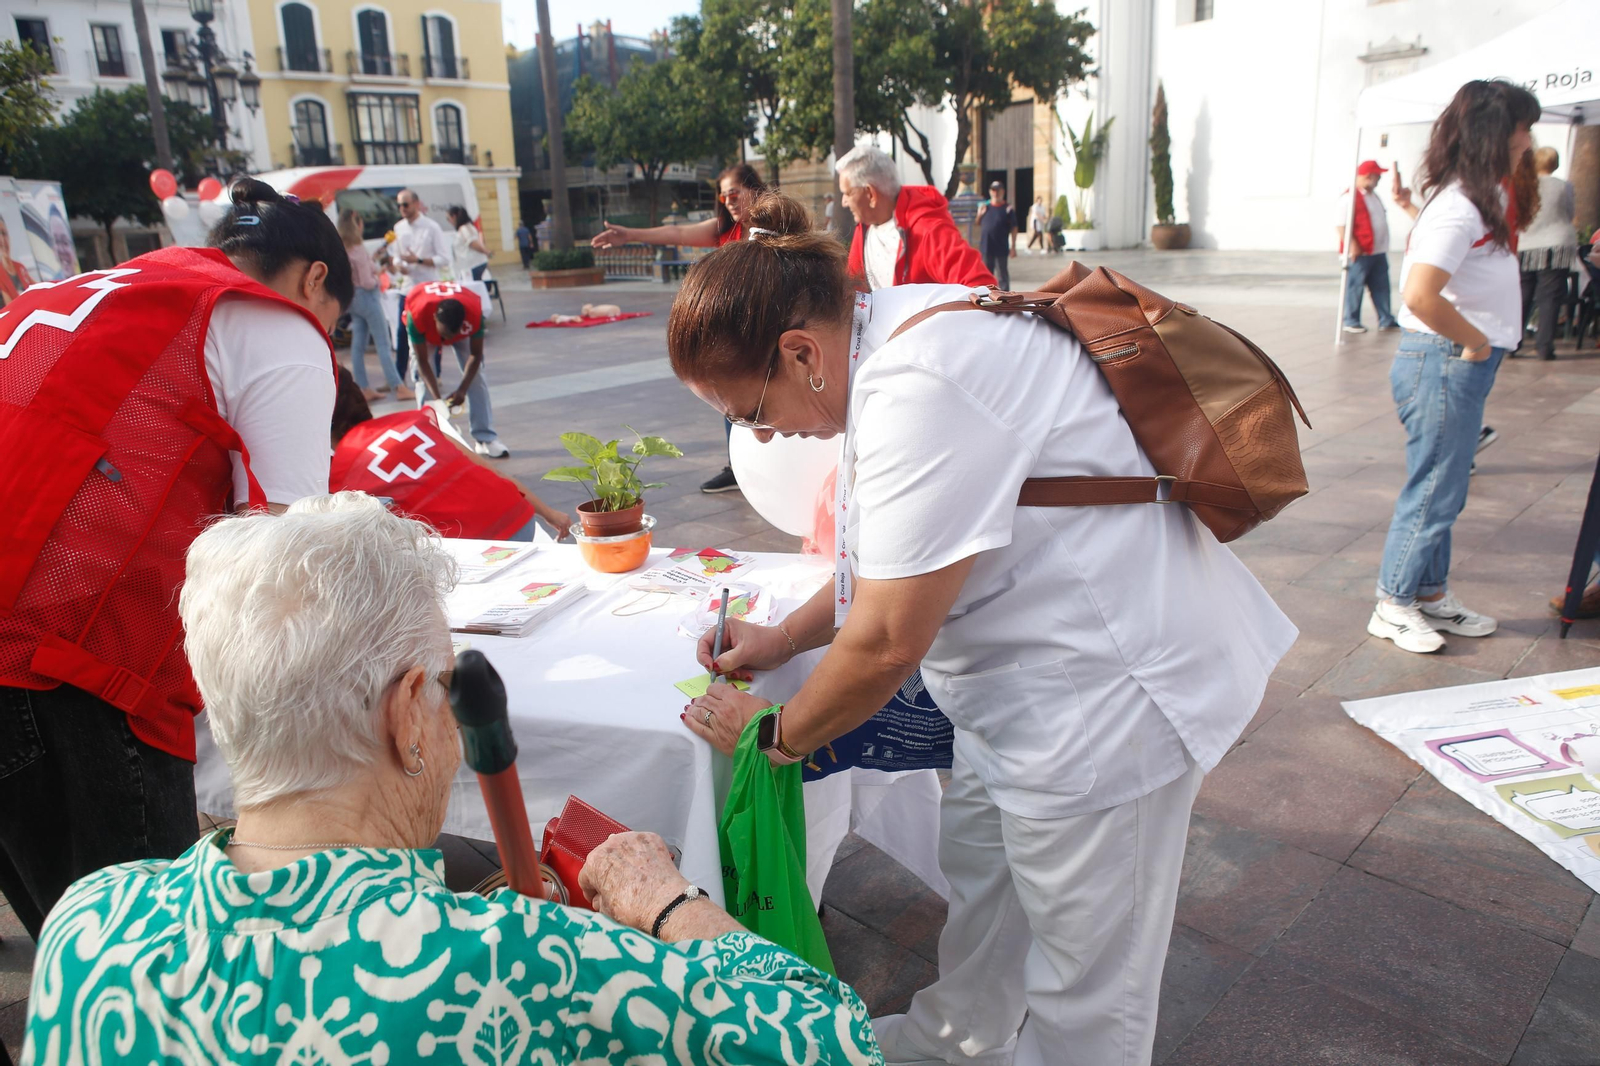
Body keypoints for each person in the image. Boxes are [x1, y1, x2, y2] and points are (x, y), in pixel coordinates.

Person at [667, 193, 1296, 1066]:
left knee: (1090, 989)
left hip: (1105, 701)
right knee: (987, 913)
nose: (760, 438)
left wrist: (775, 735)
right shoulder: (894, 328)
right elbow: (888, 561)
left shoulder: (918, 382)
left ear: (799, 352)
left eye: (747, 412)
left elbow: (888, 639)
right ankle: (953, 1046)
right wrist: (786, 639)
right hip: (1021, 694)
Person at [23, 492, 883, 1064]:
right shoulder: (522, 963)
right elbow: (836, 1041)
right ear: (406, 717)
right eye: (439, 687)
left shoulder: (88, 927)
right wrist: (668, 903)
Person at [0, 178, 351, 942]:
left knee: (66, 944)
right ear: (315, 280)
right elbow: (291, 544)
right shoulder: (275, 324)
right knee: (137, 963)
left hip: (27, 626)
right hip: (80, 658)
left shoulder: (105, 288)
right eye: (335, 323)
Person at [1368, 80, 1542, 655]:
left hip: (1454, 362)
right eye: (1524, 125)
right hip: (1443, 360)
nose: (1529, 138)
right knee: (1436, 489)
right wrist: (1473, 343)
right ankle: (1394, 603)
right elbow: (1420, 296)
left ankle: (1429, 593)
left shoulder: (1475, 196)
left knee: (1448, 486)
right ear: (1498, 133)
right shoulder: (1461, 204)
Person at [593, 163, 770, 495]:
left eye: (736, 193)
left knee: (770, 400)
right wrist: (629, 235)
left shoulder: (773, 227)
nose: (730, 201)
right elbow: (676, 233)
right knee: (728, 396)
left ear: (754, 191)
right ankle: (738, 467)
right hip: (735, 332)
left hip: (768, 330)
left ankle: (770, 468)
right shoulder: (724, 230)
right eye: (724, 195)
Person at [330, 367, 572, 538]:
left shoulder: (341, 470)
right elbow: (491, 470)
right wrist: (549, 513)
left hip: (469, 546)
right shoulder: (415, 421)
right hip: (517, 518)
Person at [837, 144, 994, 291]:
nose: (843, 202)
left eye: (848, 193)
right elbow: (853, 290)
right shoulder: (865, 226)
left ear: (870, 194)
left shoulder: (927, 229)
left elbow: (982, 288)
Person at [404, 279, 508, 458]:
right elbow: (423, 362)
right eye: (445, 334)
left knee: (477, 376)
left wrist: (462, 390)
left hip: (453, 321)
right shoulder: (418, 315)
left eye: (454, 334)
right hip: (424, 324)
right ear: (435, 317)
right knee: (422, 380)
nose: (448, 339)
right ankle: (428, 441)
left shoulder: (474, 314)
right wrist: (438, 401)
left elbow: (475, 356)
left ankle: (485, 439)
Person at [1338, 160, 1416, 334]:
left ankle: (1385, 318)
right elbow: (1341, 225)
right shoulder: (1348, 198)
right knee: (1355, 286)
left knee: (1381, 286)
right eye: (1377, 176)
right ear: (1368, 176)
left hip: (1378, 251)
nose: (1379, 179)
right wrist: (1352, 245)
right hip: (1360, 252)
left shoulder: (1373, 196)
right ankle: (1351, 320)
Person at [339, 209, 410, 402]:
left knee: (358, 344)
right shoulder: (358, 248)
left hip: (353, 298)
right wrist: (378, 277)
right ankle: (398, 386)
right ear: (358, 225)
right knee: (383, 343)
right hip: (367, 297)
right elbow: (367, 281)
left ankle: (363, 387)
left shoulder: (344, 248)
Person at [1516, 146, 1577, 361]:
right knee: (1549, 296)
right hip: (1556, 243)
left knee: (1522, 294)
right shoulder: (1563, 186)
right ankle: (1544, 346)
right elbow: (1569, 212)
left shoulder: (1523, 186)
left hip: (1525, 243)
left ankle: (1513, 342)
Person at [391, 188, 451, 381]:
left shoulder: (431, 227)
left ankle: (436, 374)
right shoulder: (399, 227)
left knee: (433, 332)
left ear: (416, 204)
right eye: (399, 205)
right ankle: (399, 376)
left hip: (427, 288)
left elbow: (443, 258)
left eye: (405, 204)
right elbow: (395, 255)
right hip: (407, 287)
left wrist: (418, 260)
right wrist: (399, 265)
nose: (402, 208)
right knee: (402, 333)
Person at [976, 180, 1018, 290]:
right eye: (993, 190)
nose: (996, 193)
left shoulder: (1007, 209)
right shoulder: (985, 207)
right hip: (987, 246)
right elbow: (978, 223)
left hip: (1001, 246)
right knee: (986, 274)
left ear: (1002, 192)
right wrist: (980, 214)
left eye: (998, 191)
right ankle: (986, 295)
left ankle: (1005, 298)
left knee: (1002, 274)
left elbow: (1014, 227)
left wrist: (1013, 246)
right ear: (990, 192)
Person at [449, 204, 491, 282]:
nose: (449, 222)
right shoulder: (468, 227)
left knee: (472, 287)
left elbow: (473, 243)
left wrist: (486, 252)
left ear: (454, 216)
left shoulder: (464, 228)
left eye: (449, 219)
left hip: (472, 265)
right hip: (473, 264)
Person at [0, 213, 35, 305]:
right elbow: (11, 308)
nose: (2, 240)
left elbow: (38, 288)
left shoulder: (20, 267)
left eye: (4, 233)